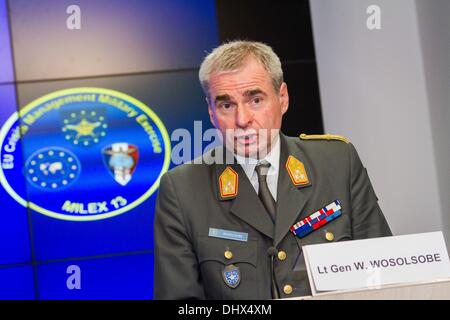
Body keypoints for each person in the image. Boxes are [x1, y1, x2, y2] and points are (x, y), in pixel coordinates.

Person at [153, 40, 391, 300]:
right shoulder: (183, 190)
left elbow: (385, 276)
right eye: (226, 105)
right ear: (211, 113)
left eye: (255, 99)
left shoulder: (337, 162)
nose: (242, 120)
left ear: (283, 98)